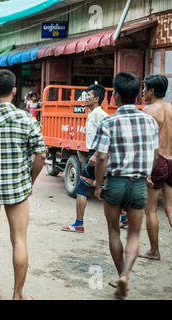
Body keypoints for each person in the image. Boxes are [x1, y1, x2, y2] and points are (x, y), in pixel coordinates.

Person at [0, 70, 46, 300]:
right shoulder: (26, 119)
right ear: (14, 91)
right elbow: (41, 155)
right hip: (17, 188)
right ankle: (17, 295)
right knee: (19, 240)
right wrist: (29, 183)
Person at [93, 72, 159, 298]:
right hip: (139, 183)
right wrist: (147, 174)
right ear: (137, 96)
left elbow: (101, 157)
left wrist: (98, 185)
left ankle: (120, 273)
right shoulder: (149, 121)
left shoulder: (108, 122)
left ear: (116, 96)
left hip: (116, 182)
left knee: (113, 230)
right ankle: (126, 276)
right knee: (134, 234)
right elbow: (155, 154)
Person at [61, 84, 108, 232]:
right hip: (95, 153)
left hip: (96, 154)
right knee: (107, 187)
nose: (86, 98)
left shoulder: (101, 115)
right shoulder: (92, 113)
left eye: (89, 95)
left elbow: (108, 136)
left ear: (97, 98)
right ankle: (125, 217)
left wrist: (96, 154)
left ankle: (78, 224)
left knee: (82, 187)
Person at [138, 74, 172, 260]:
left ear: (151, 90)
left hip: (157, 162)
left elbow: (145, 145)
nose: (143, 92)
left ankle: (154, 251)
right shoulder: (171, 109)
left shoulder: (148, 111)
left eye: (145, 88)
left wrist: (145, 170)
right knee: (170, 208)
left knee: (150, 210)